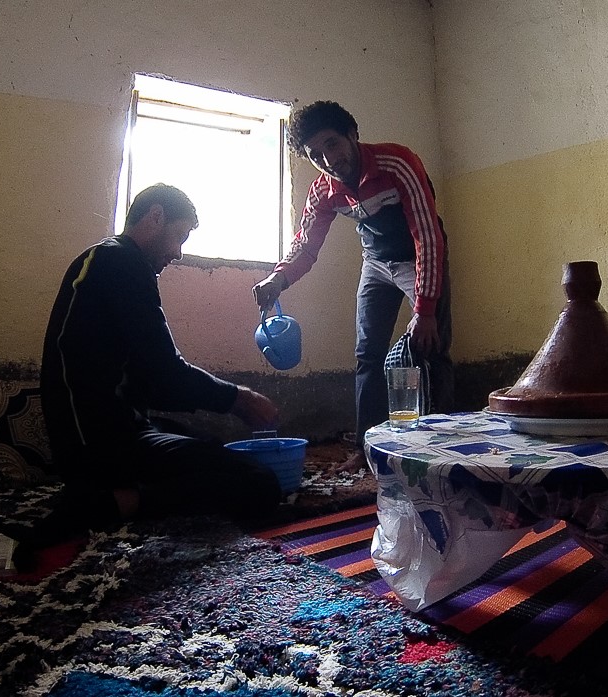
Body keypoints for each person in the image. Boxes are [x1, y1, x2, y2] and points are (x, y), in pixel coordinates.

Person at [40, 183, 283, 534]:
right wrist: (238, 399)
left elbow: (155, 384)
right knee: (259, 483)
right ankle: (118, 502)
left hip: (110, 433)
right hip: (98, 448)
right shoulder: (119, 260)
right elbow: (165, 373)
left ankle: (123, 492)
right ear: (156, 216)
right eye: (180, 236)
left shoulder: (109, 261)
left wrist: (221, 399)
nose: (179, 253)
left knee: (204, 445)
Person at [252, 101, 454, 472]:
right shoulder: (323, 191)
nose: (328, 159)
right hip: (376, 265)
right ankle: (366, 449)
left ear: (353, 135)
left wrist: (424, 309)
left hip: (418, 258)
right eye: (315, 154)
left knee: (432, 347)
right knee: (367, 355)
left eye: (332, 144)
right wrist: (277, 279)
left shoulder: (398, 163)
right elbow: (305, 246)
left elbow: (427, 235)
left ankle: (438, 448)